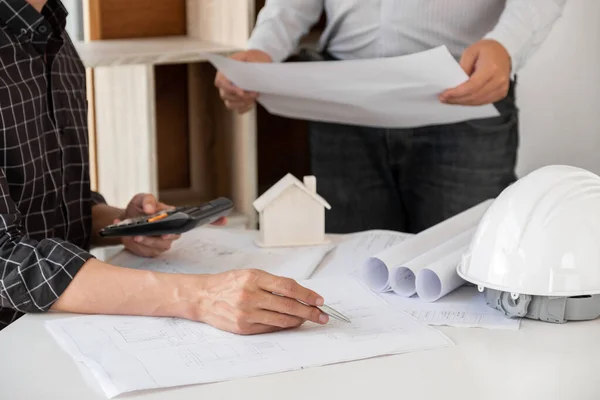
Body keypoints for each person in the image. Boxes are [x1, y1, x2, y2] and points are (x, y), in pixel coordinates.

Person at [0, 0, 330, 334]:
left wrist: (118, 224)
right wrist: (201, 296)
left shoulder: (54, 35)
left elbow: (42, 206)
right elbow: (6, 261)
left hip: (63, 326)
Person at [215, 0, 566, 234]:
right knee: (353, 277)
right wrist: (264, 47)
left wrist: (507, 44)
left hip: (464, 97)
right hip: (342, 105)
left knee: (467, 269)